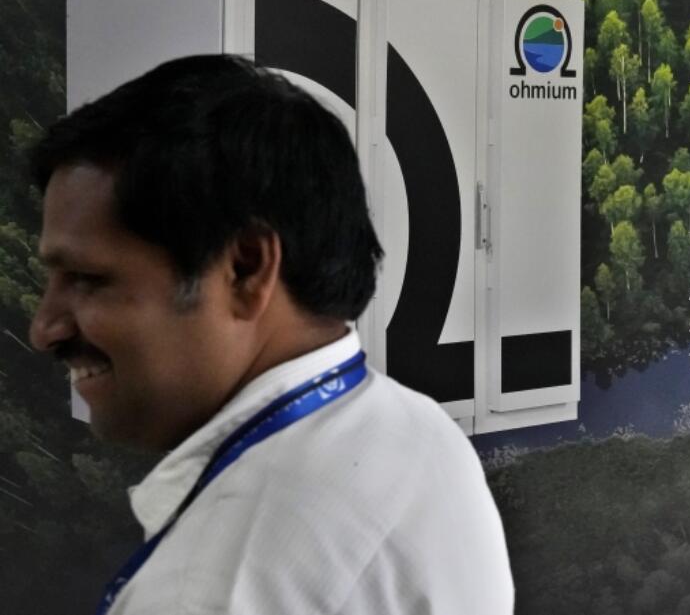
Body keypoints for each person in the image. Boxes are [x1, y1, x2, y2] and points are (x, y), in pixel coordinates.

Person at [27, 55, 514, 615]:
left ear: (246, 268)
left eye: (89, 279)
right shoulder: (416, 427)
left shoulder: (210, 590)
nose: (45, 329)